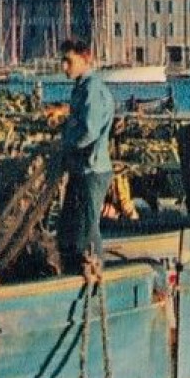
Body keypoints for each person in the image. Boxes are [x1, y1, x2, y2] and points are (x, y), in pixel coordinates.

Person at [55, 38, 116, 273]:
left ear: (85, 58)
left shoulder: (92, 89)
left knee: (88, 228)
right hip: (81, 169)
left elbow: (89, 131)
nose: (64, 67)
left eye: (68, 61)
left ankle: (94, 272)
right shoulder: (81, 87)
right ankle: (72, 270)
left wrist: (66, 144)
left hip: (93, 170)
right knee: (70, 226)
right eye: (62, 61)